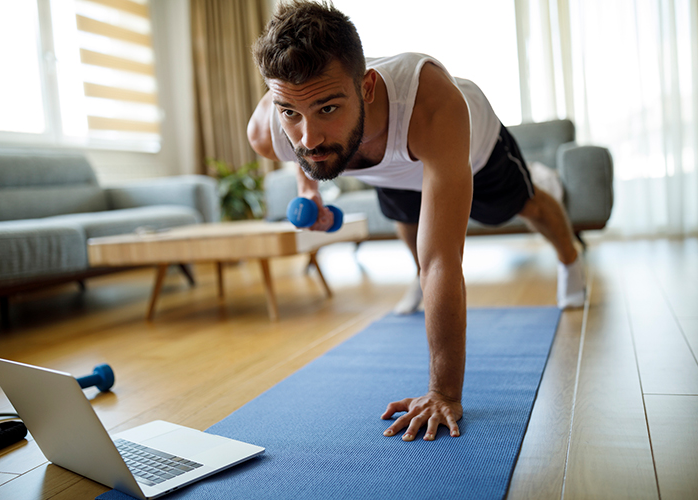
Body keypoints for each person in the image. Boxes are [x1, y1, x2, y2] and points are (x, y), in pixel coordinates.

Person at [247, 0, 585, 441]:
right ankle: (415, 275)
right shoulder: (271, 129)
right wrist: (308, 190)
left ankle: (570, 260)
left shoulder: (431, 103)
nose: (307, 137)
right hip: (382, 160)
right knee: (407, 221)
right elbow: (304, 147)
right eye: (291, 113)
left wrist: (443, 393)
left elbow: (444, 260)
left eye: (328, 108)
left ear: (367, 87)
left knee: (523, 207)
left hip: (468, 151)